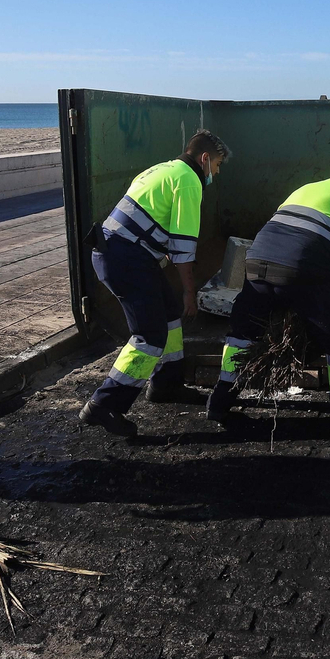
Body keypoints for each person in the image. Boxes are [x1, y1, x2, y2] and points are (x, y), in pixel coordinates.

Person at [207, 156, 330, 437]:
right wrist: (325, 308)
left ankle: (218, 402)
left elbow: (279, 236)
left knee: (241, 333)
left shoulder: (303, 189)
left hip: (257, 263)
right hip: (304, 273)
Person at [80, 130, 229, 436]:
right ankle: (104, 404)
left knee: (169, 316)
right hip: (126, 259)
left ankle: (166, 384)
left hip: (122, 254)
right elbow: (183, 251)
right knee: (149, 337)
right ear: (204, 159)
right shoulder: (188, 181)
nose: (216, 172)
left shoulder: (162, 169)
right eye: (216, 165)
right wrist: (190, 292)